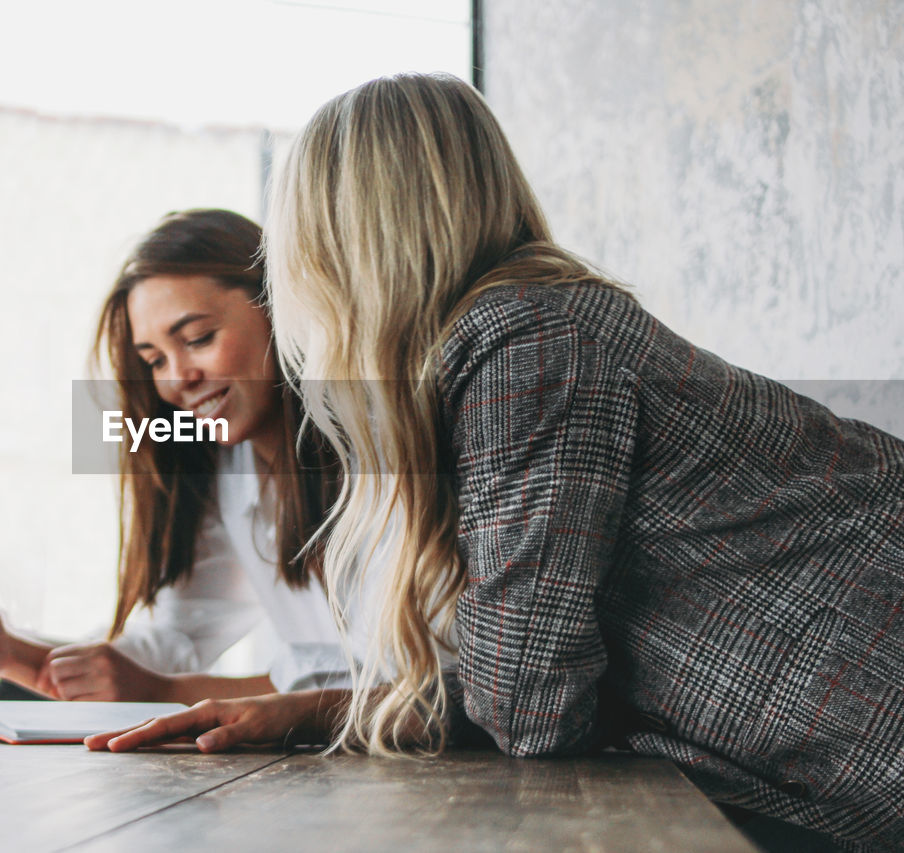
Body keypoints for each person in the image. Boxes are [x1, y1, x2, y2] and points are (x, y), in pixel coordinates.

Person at [84, 74, 904, 850]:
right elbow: (516, 685)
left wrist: (331, 707)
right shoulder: (515, 339)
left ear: (349, 234)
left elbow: (529, 707)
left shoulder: (525, 343)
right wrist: (307, 710)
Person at [0, 208, 350, 705]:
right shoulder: (232, 474)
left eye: (198, 339)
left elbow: (389, 680)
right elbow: (169, 646)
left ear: (280, 309)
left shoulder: (376, 456)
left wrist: (166, 692)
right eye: (155, 360)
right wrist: (6, 651)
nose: (176, 379)